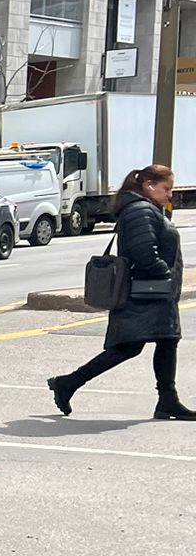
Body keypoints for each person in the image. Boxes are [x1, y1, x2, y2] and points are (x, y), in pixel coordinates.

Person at [49, 163, 194, 421]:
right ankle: (67, 383)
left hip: (152, 292)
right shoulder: (140, 211)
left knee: (165, 340)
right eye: (166, 188)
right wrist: (165, 274)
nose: (170, 194)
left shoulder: (146, 209)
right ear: (149, 186)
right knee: (128, 347)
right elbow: (144, 253)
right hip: (145, 292)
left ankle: (167, 400)